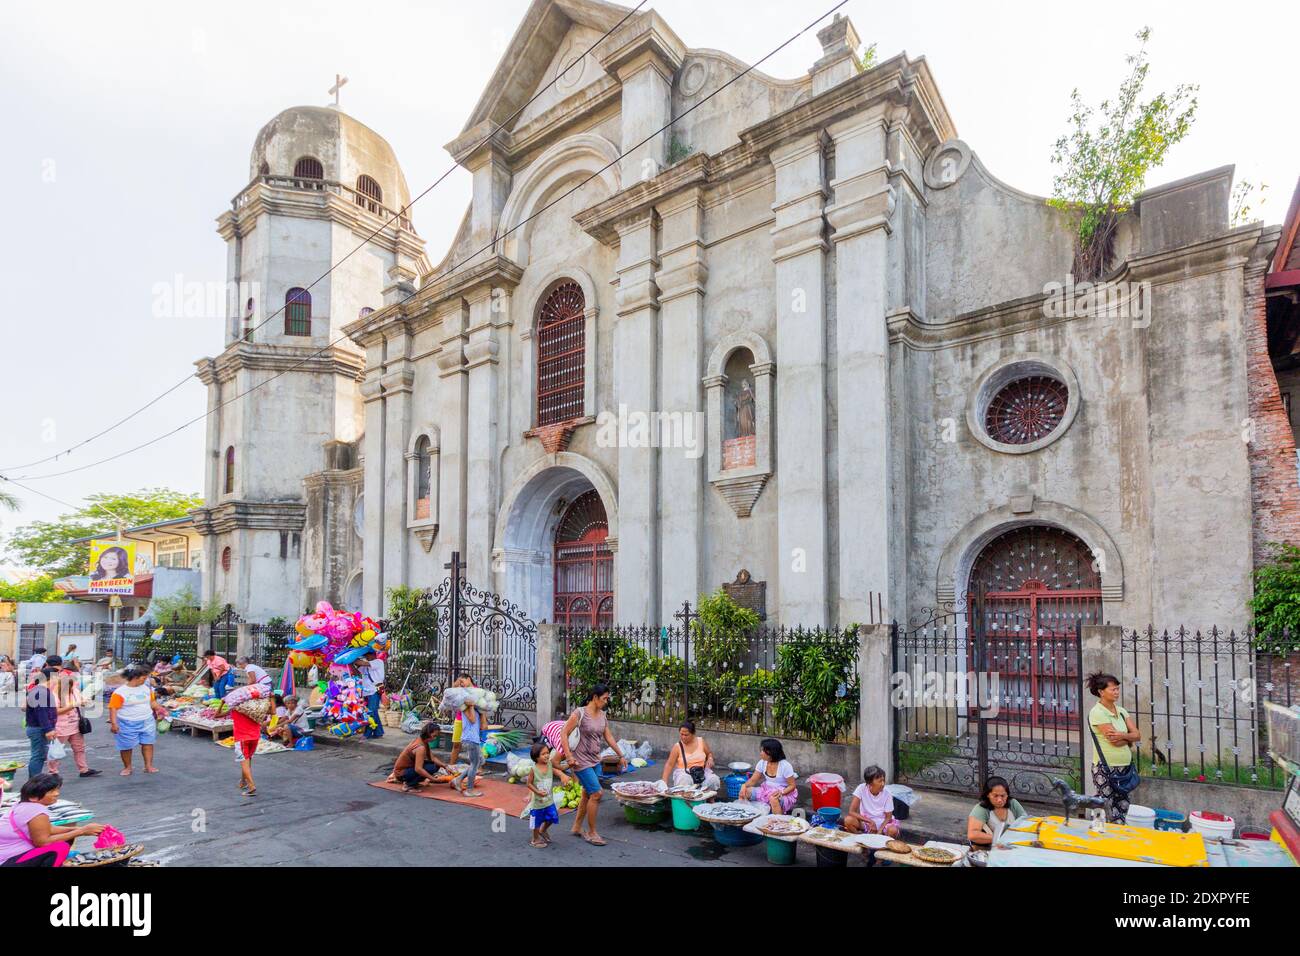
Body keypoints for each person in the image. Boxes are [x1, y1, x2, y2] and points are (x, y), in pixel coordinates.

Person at [559, 683, 626, 846]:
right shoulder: (579, 713)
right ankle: (592, 832)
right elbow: (564, 733)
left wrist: (621, 755)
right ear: (595, 698)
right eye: (604, 698)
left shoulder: (602, 715)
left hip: (595, 759)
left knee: (587, 794)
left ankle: (576, 827)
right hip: (579, 760)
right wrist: (568, 757)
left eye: (607, 698)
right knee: (597, 794)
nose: (606, 701)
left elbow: (608, 736)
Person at [0, 774, 108, 867]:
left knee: (68, 836)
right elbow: (42, 843)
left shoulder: (22, 805)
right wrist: (81, 831)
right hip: (6, 861)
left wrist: (77, 829)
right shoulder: (35, 810)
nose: (56, 793)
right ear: (34, 797)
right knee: (60, 847)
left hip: (12, 857)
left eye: (57, 789)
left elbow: (47, 829)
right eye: (51, 791)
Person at [1088, 671, 1140, 823]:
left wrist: (1123, 735)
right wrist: (1128, 736)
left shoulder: (1122, 712)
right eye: (1113, 689)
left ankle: (1117, 837)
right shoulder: (1097, 712)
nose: (1117, 692)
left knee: (1122, 805)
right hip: (1105, 767)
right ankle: (1098, 835)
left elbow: (1137, 735)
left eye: (1117, 689)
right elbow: (1114, 741)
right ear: (1101, 692)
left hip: (1124, 767)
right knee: (1104, 804)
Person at [47, 656, 98, 779]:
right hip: (61, 726)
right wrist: (73, 705)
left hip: (75, 724)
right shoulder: (54, 695)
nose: (70, 688)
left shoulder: (74, 691)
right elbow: (56, 712)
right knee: (56, 750)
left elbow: (80, 700)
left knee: (79, 748)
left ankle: (83, 769)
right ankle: (53, 772)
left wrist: (84, 701)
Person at [108, 666, 164, 776]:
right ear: (135, 678)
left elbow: (152, 702)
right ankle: (127, 767)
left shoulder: (146, 689)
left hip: (147, 721)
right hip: (127, 722)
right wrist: (114, 723)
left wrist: (161, 710)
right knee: (126, 746)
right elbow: (113, 708)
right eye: (143, 678)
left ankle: (148, 766)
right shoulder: (120, 692)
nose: (145, 680)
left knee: (148, 743)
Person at [526, 741, 569, 849]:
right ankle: (535, 839)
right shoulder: (534, 769)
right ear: (536, 757)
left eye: (547, 753)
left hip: (549, 800)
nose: (547, 755)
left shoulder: (549, 764)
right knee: (537, 821)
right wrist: (537, 792)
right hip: (538, 803)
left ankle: (543, 830)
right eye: (543, 754)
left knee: (552, 817)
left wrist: (562, 775)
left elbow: (557, 770)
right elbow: (529, 783)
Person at [738, 738, 799, 814]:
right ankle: (743, 817)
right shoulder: (762, 763)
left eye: (763, 751)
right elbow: (753, 781)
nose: (761, 753)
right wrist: (744, 785)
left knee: (773, 799)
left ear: (771, 753)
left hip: (784, 793)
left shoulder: (785, 766)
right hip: (766, 790)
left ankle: (777, 822)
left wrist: (781, 792)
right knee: (744, 792)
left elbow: (792, 786)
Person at [967, 776, 1028, 847]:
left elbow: (1025, 822)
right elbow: (972, 835)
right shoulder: (981, 809)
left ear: (1007, 794)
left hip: (1012, 845)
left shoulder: (1013, 803)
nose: (999, 800)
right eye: (995, 796)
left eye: (1003, 796)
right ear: (988, 795)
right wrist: (1001, 839)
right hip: (989, 848)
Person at [388, 722, 450, 791]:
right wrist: (433, 779)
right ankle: (409, 785)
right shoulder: (420, 747)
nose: (435, 738)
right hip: (401, 773)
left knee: (435, 765)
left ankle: (412, 782)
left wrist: (446, 766)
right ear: (428, 734)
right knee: (430, 768)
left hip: (406, 770)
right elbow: (418, 769)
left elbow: (433, 758)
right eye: (434, 736)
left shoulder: (423, 741)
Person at [661, 720, 720, 791]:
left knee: (714, 780)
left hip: (701, 773)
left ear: (693, 734)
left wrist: (710, 759)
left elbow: (709, 753)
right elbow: (669, 764)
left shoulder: (701, 741)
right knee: (685, 780)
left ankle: (710, 799)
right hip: (684, 773)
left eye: (686, 735)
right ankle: (687, 800)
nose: (683, 737)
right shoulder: (677, 746)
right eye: (681, 734)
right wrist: (664, 782)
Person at [845, 765, 900, 836]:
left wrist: (880, 830)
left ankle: (883, 843)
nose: (883, 784)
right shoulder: (861, 788)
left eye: (883, 780)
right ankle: (859, 837)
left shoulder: (887, 793)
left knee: (893, 831)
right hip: (866, 822)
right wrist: (870, 822)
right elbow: (851, 812)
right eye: (880, 781)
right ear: (870, 783)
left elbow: (888, 817)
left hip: (883, 824)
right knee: (848, 820)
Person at [23, 668, 58, 779]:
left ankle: (34, 781)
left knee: (39, 755)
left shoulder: (39, 690)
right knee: (38, 756)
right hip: (38, 729)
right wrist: (48, 729)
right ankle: (34, 782)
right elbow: (41, 712)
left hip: (37, 728)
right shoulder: (41, 692)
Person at [231, 696, 268, 797]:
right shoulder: (256, 710)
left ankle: (251, 786)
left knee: (244, 762)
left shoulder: (234, 709)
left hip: (242, 738)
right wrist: (272, 699)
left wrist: (221, 703)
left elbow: (217, 715)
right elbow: (273, 712)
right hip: (254, 737)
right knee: (248, 760)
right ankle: (243, 781)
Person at [450, 696, 486, 798]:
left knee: (481, 761)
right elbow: (472, 720)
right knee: (474, 765)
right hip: (469, 739)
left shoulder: (477, 710)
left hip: (475, 739)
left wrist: (483, 712)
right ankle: (469, 790)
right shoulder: (465, 708)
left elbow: (484, 727)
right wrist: (471, 705)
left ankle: (458, 779)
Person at [356, 650, 386, 739]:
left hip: (374, 691)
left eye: (367, 655)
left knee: (371, 713)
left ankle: (367, 734)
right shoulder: (366, 665)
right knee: (373, 712)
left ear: (373, 654)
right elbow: (358, 669)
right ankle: (379, 732)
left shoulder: (378, 662)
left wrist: (352, 658)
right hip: (366, 692)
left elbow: (360, 663)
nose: (366, 657)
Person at [447, 672, 475, 765]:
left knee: (473, 745)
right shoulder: (460, 690)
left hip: (471, 721)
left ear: (468, 679)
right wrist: (456, 685)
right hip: (459, 719)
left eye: (462, 682)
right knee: (456, 744)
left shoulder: (476, 690)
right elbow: (450, 694)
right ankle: (451, 766)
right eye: (460, 683)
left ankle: (478, 767)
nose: (461, 685)